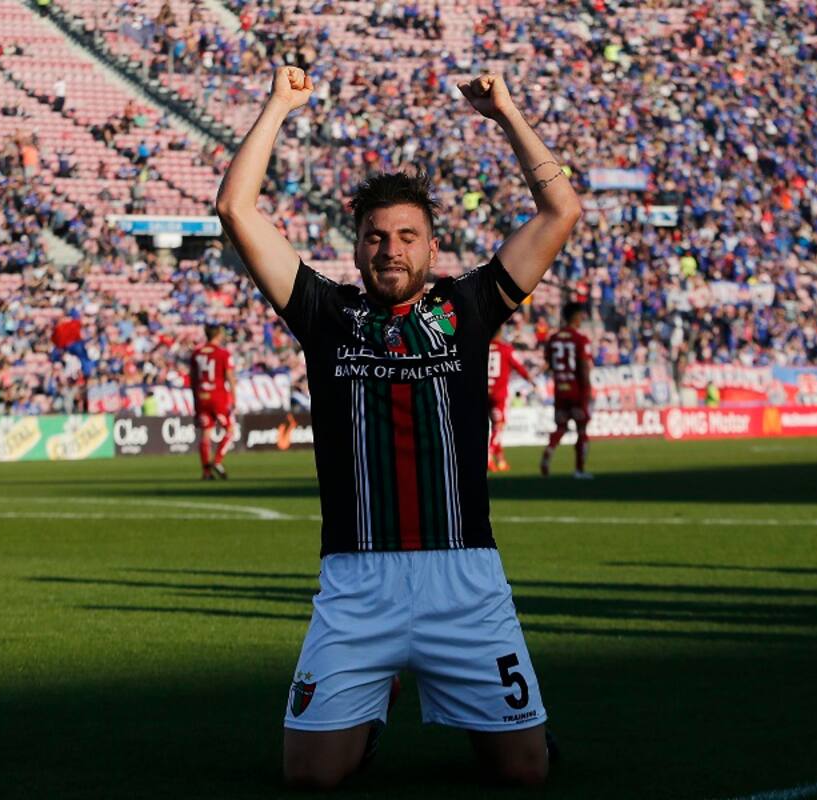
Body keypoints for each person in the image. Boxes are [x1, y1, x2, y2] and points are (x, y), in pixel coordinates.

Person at [216, 66, 581, 789]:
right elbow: (235, 208)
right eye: (375, 237)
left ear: (431, 249)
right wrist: (279, 106)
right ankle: (371, 705)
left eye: (407, 236)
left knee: (525, 773)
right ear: (355, 249)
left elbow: (560, 211)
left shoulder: (468, 307)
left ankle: (488, 720)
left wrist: (505, 112)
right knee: (311, 777)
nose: (391, 249)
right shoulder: (326, 314)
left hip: (464, 575)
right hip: (357, 579)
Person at [540, 301, 593, 479]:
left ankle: (548, 452)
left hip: (560, 390)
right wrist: (588, 390)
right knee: (582, 429)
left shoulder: (553, 338)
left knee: (561, 426)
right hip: (577, 390)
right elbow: (584, 367)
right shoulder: (580, 339)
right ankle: (579, 470)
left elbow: (549, 364)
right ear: (576, 317)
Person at [190, 324, 236, 479]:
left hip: (201, 397)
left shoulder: (196, 353)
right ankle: (216, 461)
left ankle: (206, 472)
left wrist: (196, 399)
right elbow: (230, 377)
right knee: (230, 430)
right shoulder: (223, 353)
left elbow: (192, 379)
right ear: (218, 335)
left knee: (205, 435)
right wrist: (234, 398)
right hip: (218, 398)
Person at [487, 334, 532, 472]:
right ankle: (487, 457)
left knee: (495, 427)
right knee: (499, 427)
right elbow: (518, 366)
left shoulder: (481, 346)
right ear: (500, 333)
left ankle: (500, 461)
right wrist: (529, 378)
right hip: (498, 395)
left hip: (482, 392)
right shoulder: (506, 349)